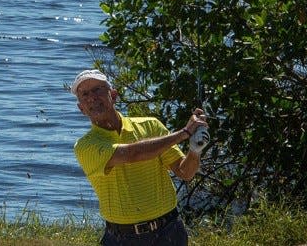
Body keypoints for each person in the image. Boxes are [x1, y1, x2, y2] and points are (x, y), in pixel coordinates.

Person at [71, 69, 209, 246]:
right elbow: (131, 154)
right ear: (81, 108)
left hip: (169, 231)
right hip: (122, 238)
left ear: (113, 96)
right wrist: (184, 133)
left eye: (98, 89)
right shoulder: (85, 145)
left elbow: (185, 172)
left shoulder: (150, 126)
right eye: (84, 94)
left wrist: (195, 150)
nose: (92, 97)